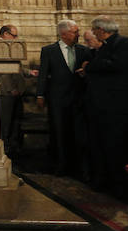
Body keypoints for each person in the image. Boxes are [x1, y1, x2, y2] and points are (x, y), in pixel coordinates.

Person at [81, 15, 128, 195]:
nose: (94, 33)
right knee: (100, 143)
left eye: (95, 30)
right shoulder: (105, 46)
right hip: (100, 104)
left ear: (102, 30)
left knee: (115, 144)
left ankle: (117, 184)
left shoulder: (123, 43)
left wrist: (89, 66)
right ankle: (103, 180)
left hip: (114, 104)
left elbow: (117, 66)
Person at [37, 19, 91, 177]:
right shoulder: (49, 50)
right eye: (75, 32)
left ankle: (79, 167)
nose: (78, 34)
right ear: (64, 33)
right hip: (57, 99)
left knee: (78, 133)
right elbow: (43, 75)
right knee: (59, 133)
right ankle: (61, 164)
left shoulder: (83, 50)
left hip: (78, 98)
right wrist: (40, 94)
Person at [0, 24, 36, 159]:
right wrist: (10, 88)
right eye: (14, 35)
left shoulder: (11, 47)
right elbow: (2, 71)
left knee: (15, 121)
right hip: (7, 92)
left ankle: (13, 147)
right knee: (6, 122)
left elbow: (16, 67)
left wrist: (29, 72)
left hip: (17, 91)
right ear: (5, 34)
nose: (16, 38)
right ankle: (5, 148)